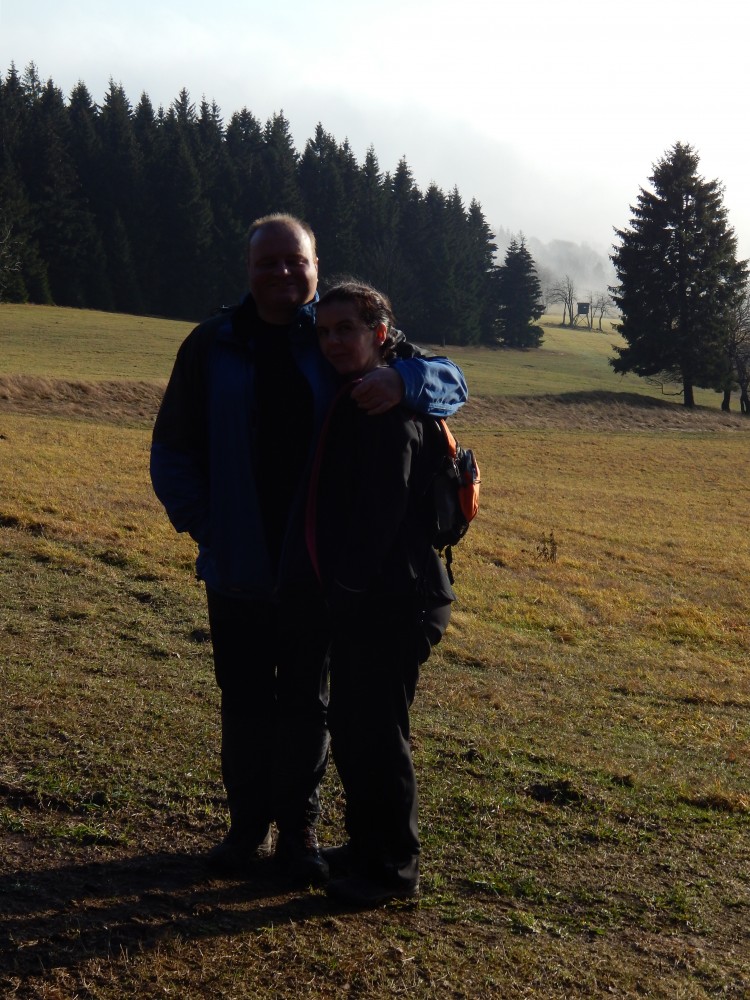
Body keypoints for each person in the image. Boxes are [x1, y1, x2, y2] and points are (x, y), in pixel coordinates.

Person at [150, 215, 467, 883]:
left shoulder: (334, 334)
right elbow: (173, 447)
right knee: (243, 702)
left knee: (306, 704)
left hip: (316, 572)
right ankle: (245, 830)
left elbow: (450, 380)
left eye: (295, 261)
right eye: (268, 262)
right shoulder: (211, 344)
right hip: (237, 563)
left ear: (316, 267)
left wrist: (404, 383)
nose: (283, 273)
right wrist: (206, 524)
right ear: (248, 270)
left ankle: (298, 834)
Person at [308, 281, 455, 906]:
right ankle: (367, 846)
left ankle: (394, 868)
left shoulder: (387, 406)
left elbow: (381, 512)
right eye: (325, 331)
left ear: (380, 334)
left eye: (347, 329)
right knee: (354, 723)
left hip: (396, 598)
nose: (333, 341)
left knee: (378, 731)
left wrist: (344, 586)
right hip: (377, 595)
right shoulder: (365, 392)